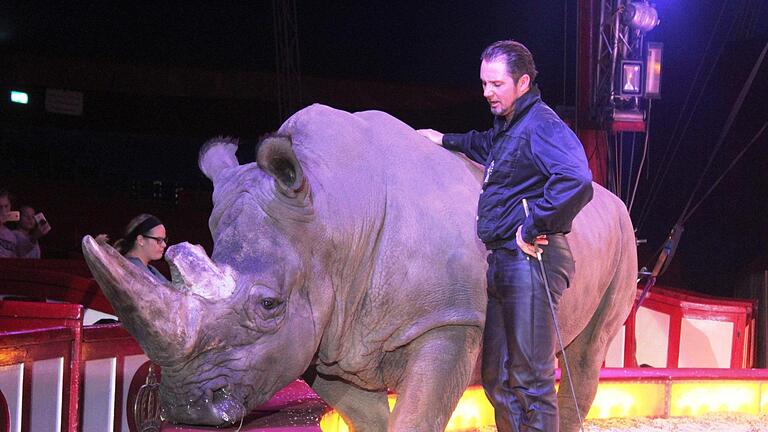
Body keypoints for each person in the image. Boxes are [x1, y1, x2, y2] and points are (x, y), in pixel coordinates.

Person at [417, 40, 593, 431]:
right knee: (498, 378)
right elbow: (484, 144)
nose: (487, 93)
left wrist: (534, 225)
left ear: (523, 82)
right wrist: (442, 139)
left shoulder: (542, 125)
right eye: (484, 83)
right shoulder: (509, 127)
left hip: (531, 262)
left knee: (531, 383)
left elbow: (577, 179)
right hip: (502, 262)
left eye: (496, 84)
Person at [113, 213, 169, 282]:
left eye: (164, 240)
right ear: (140, 240)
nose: (164, 245)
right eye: (159, 240)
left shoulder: (149, 269)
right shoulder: (132, 270)